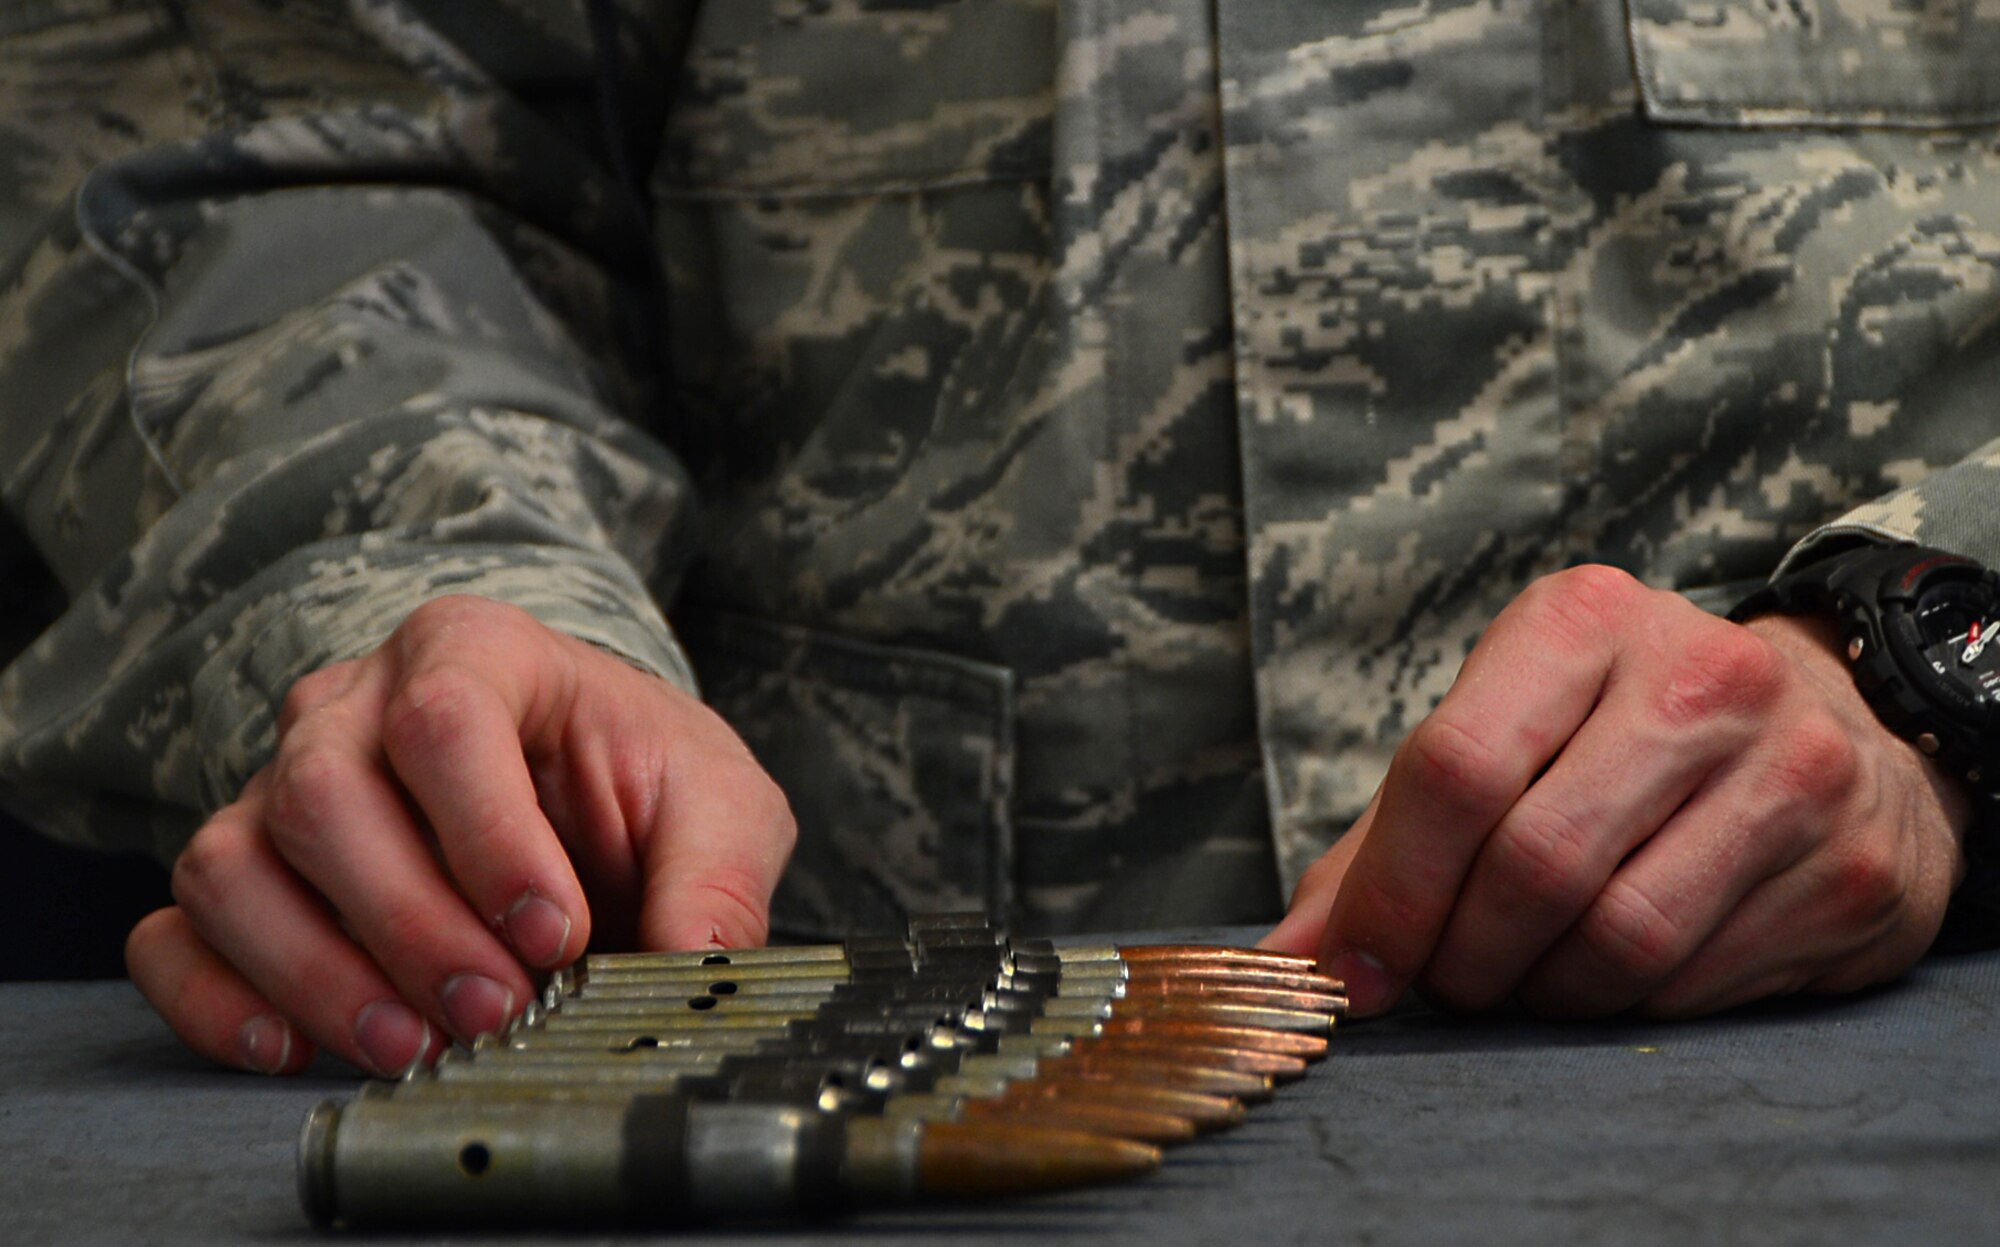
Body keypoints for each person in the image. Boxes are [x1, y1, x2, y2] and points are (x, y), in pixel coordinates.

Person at [2, 0, 1994, 1079]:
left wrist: (1929, 659)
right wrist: (441, 591)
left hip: (1894, 1064)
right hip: (753, 1077)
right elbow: (278, 129)